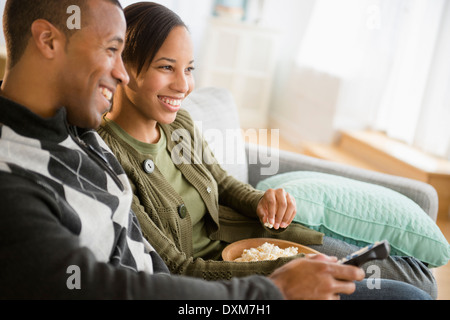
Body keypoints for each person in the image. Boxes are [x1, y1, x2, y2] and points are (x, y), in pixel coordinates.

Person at [0, 0, 375, 300]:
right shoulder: (15, 183)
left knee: (399, 287)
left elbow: (218, 183)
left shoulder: (80, 132)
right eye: (111, 51)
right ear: (48, 40)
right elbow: (102, 285)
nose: (121, 74)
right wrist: (273, 289)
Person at [97, 2, 436, 298]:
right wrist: (281, 268)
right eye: (167, 67)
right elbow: (176, 266)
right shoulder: (108, 156)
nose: (183, 85)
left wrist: (261, 201)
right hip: (238, 281)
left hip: (260, 241)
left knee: (418, 274)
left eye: (189, 69)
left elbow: (222, 183)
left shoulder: (179, 125)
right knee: (412, 293)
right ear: (123, 67)